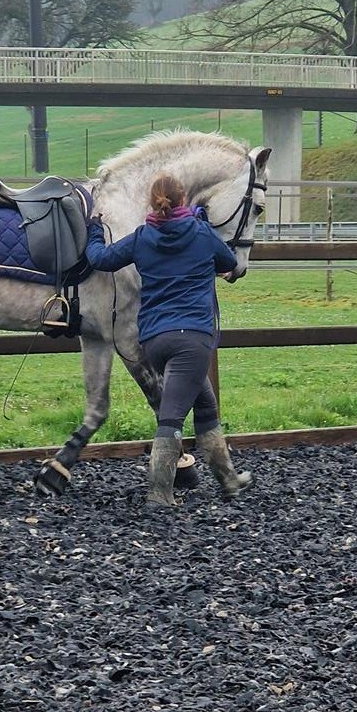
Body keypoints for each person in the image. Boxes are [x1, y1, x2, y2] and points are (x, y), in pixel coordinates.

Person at [84, 173, 252, 508]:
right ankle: (159, 493)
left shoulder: (142, 237)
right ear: (183, 200)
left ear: (153, 203)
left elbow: (100, 259)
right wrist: (202, 234)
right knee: (171, 418)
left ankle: (229, 481)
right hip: (193, 339)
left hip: (155, 340)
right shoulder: (201, 233)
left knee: (205, 407)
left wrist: (94, 230)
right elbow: (230, 262)